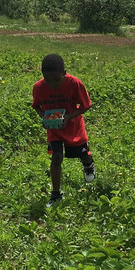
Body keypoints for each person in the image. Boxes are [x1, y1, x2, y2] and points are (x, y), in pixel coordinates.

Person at [32, 53, 95, 207]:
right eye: (48, 80)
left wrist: (69, 116)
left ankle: (89, 165)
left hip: (74, 127)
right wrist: (44, 118)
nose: (52, 84)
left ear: (64, 73)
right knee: (57, 157)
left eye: (56, 80)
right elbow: (37, 106)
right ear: (42, 76)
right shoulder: (39, 87)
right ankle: (55, 194)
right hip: (54, 129)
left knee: (83, 154)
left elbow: (85, 105)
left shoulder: (74, 84)